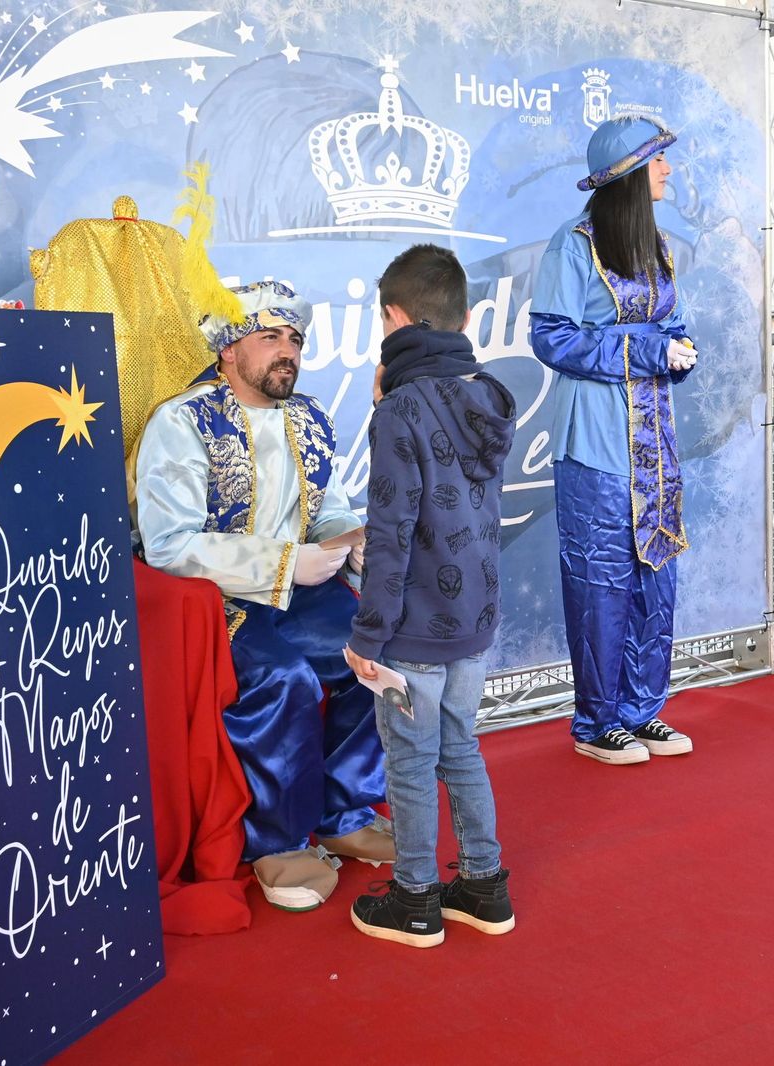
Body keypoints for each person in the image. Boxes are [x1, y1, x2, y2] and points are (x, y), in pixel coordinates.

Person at [135, 280, 392, 912]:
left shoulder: (307, 417)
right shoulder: (183, 421)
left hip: (297, 588)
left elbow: (324, 508)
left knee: (384, 650)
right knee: (286, 680)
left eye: (295, 339)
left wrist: (349, 539)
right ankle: (276, 840)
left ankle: (343, 807)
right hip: (214, 601)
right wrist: (285, 562)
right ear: (227, 349)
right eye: (269, 337)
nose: (288, 352)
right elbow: (168, 544)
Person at [344, 244, 517, 948]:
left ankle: (415, 897)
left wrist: (365, 636)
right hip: (474, 618)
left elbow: (390, 537)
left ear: (392, 317)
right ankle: (484, 884)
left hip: (412, 627)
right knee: (460, 747)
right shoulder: (488, 395)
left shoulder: (401, 410)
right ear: (466, 317)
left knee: (411, 761)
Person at [530, 114, 697, 765]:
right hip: (595, 439)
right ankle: (597, 723)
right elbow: (552, 336)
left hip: (656, 439)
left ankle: (641, 709)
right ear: (631, 171)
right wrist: (646, 349)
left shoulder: (658, 247)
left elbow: (673, 326)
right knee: (601, 577)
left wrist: (680, 350)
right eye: (659, 160)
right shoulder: (573, 246)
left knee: (656, 570)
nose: (668, 170)